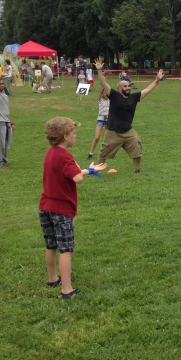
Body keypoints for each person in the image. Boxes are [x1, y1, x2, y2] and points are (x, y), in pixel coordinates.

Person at [40, 117, 107, 299]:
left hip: (46, 206)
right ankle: (67, 289)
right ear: (65, 135)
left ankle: (53, 278)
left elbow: (70, 173)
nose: (75, 136)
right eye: (74, 133)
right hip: (61, 210)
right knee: (66, 249)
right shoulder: (65, 156)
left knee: (51, 245)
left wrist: (89, 169)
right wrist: (81, 171)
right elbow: (76, 178)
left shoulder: (50, 153)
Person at [94, 59, 164, 173]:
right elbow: (104, 83)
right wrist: (99, 70)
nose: (128, 88)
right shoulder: (114, 95)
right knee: (104, 153)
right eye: (125, 86)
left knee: (137, 146)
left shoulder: (134, 97)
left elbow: (147, 89)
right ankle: (95, 171)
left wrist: (156, 79)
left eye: (129, 86)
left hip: (128, 131)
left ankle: (137, 170)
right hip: (113, 131)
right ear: (120, 88)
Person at [88, 88, 110, 159]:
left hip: (108, 120)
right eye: (104, 93)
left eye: (107, 93)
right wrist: (103, 85)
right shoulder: (101, 100)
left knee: (107, 137)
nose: (105, 94)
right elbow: (100, 91)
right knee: (97, 137)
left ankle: (106, 153)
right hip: (100, 119)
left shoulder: (110, 100)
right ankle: (91, 153)